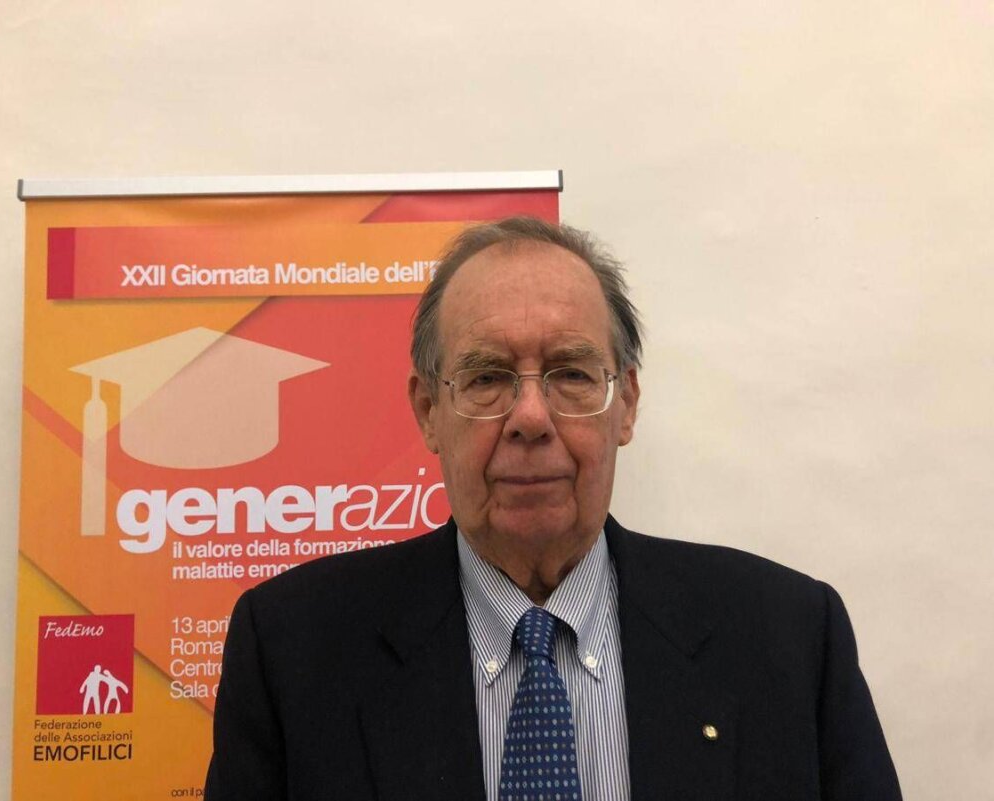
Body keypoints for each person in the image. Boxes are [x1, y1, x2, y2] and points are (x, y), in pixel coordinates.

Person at [205, 216, 901, 800]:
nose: (531, 418)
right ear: (428, 411)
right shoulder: (295, 652)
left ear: (626, 404)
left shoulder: (788, 638)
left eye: (571, 373)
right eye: (487, 377)